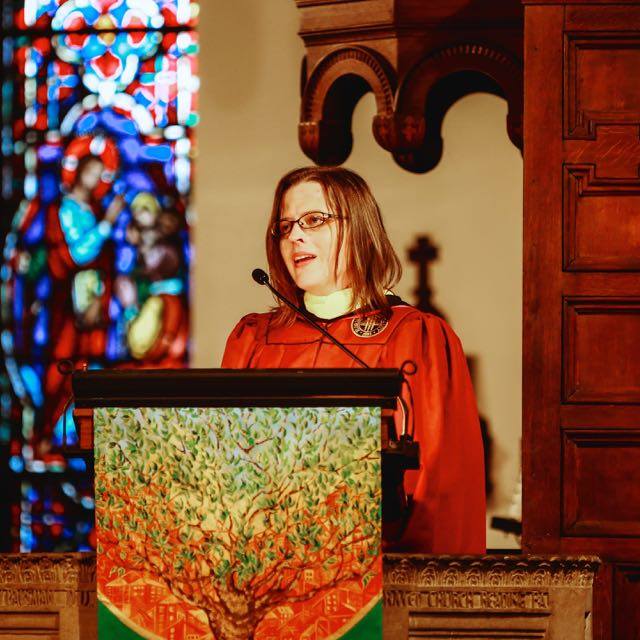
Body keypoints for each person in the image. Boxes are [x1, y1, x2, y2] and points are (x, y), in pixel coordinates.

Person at [222, 166, 485, 554]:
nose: (295, 235)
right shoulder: (254, 339)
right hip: (261, 567)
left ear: (359, 229)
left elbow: (439, 484)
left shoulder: (416, 336)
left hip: (377, 576)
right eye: (285, 226)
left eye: (314, 220)